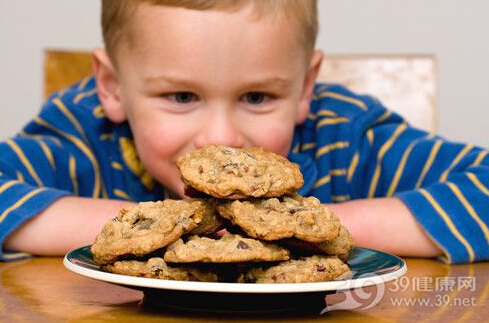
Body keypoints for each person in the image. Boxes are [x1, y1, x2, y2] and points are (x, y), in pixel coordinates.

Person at [1, 0, 488, 264]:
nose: (221, 138)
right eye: (181, 97)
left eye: (257, 98)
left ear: (304, 89)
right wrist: (149, 231)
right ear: (112, 88)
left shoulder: (347, 137)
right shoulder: (82, 135)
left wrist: (315, 232)